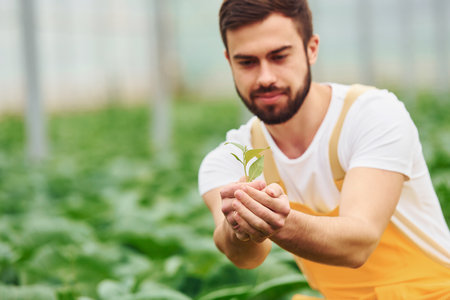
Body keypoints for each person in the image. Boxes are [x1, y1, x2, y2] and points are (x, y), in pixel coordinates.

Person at [198, 0, 450, 299]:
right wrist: (237, 225)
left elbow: (359, 243)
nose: (265, 77)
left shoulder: (371, 115)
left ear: (311, 49)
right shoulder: (230, 157)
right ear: (229, 62)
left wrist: (275, 219)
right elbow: (247, 256)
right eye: (247, 62)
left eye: (279, 57)